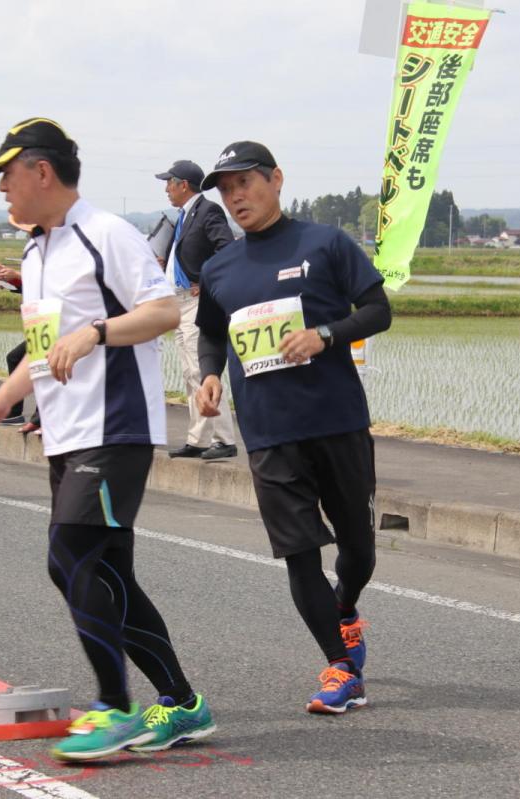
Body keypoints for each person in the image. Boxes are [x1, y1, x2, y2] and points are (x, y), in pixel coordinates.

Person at [0, 117, 214, 760]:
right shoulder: (37, 250)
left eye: (6, 174)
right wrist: (1, 397)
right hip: (67, 434)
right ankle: (184, 705)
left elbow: (163, 311)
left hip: (115, 429)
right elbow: (49, 344)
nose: (1, 189)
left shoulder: (107, 233)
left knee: (69, 556)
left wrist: (97, 332)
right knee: (108, 574)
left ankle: (115, 707)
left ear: (41, 171)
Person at [194, 141, 391, 714]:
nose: (235, 197)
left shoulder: (325, 242)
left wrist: (325, 335)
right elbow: (211, 330)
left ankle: (346, 607)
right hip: (268, 430)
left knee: (357, 547)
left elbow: (378, 309)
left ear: (276, 180)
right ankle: (339, 667)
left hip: (335, 421)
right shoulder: (220, 266)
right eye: (225, 189)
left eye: (245, 183)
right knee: (300, 551)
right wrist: (209, 375)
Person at [154, 160, 238, 460]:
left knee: (201, 371)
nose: (166, 188)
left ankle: (223, 438)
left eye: (169, 182)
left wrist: (205, 279)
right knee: (191, 372)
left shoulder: (207, 211)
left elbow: (226, 248)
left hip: (195, 301)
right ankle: (199, 437)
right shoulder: (184, 216)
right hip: (179, 300)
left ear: (183, 184)